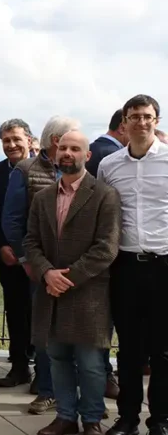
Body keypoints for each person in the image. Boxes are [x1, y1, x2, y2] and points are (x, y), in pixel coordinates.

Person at [24, 130, 121, 435]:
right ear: (54, 154)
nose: (67, 152)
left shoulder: (105, 195)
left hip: (89, 293)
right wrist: (47, 273)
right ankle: (65, 416)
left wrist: (67, 278)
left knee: (91, 364)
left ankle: (91, 420)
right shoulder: (43, 198)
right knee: (58, 358)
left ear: (87, 156)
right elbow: (31, 242)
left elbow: (106, 248)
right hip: (50, 293)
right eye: (62, 147)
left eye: (75, 148)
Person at [98, 95, 168, 435]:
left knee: (163, 351)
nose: (141, 122)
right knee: (128, 349)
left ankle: (161, 422)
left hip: (164, 265)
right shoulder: (109, 165)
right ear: (123, 122)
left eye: (147, 116)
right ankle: (127, 418)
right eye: (134, 117)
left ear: (156, 120)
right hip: (124, 265)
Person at [3, 115, 82, 415]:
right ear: (56, 141)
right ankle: (48, 390)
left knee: (77, 330)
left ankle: (81, 394)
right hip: (42, 266)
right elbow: (12, 220)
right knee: (46, 331)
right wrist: (27, 259)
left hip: (76, 267)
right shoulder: (25, 170)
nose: (73, 148)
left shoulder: (80, 170)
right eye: (70, 140)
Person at [0, 119, 36, 388]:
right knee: (15, 313)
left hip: (40, 257)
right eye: (6, 140)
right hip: (9, 258)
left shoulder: (45, 168)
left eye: (17, 139)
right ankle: (19, 367)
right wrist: (1, 245)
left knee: (40, 313)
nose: (12, 144)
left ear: (29, 140)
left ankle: (45, 373)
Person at [86, 109, 128, 399]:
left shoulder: (94, 150)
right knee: (107, 320)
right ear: (123, 127)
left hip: (97, 250)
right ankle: (104, 376)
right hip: (110, 251)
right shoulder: (110, 157)